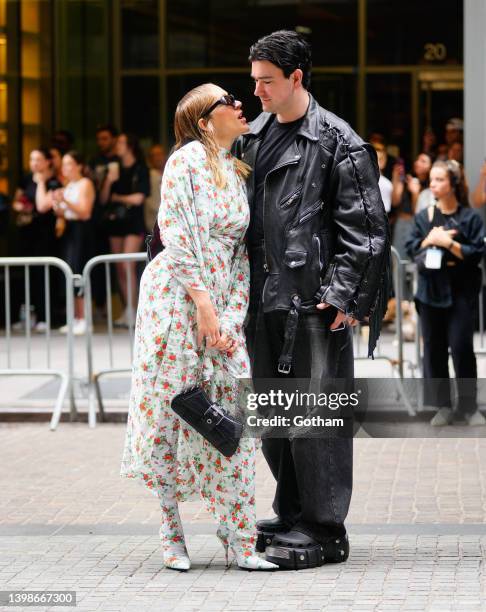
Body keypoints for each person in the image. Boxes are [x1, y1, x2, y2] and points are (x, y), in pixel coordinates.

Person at [236, 30, 390, 570]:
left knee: (317, 423)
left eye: (266, 81)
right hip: (262, 302)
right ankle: (293, 509)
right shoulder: (248, 140)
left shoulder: (337, 141)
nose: (255, 91)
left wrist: (344, 294)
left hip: (314, 304)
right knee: (275, 421)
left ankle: (324, 529)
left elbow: (367, 229)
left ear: (296, 78)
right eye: (254, 80)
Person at [120, 83, 278, 572]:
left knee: (232, 415)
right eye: (227, 101)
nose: (239, 105)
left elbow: (240, 254)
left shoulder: (235, 171)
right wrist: (205, 308)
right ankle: (172, 533)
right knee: (171, 413)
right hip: (174, 303)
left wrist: (229, 318)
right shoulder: (184, 161)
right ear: (205, 121)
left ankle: (240, 539)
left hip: (218, 307)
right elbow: (178, 235)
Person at [406, 160, 486, 427]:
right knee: (434, 349)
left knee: (462, 347)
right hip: (430, 292)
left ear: (453, 184)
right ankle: (442, 406)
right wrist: (430, 240)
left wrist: (448, 243)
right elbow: (411, 248)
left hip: (460, 290)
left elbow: (476, 253)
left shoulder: (469, 217)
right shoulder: (424, 217)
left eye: (439, 179)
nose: (433, 184)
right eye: (431, 179)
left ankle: (468, 406)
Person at [38, 151, 95, 335]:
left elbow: (85, 212)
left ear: (78, 165)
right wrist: (58, 206)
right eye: (64, 164)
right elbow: (63, 211)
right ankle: (76, 317)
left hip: (81, 230)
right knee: (70, 270)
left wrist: (66, 202)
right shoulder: (68, 184)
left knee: (80, 270)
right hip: (69, 229)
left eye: (69, 163)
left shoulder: (85, 183)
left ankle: (85, 318)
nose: (66, 168)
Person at [99, 132, 150, 327]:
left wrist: (119, 198)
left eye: (121, 142)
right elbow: (104, 199)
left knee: (128, 264)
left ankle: (135, 310)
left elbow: (139, 198)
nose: (116, 145)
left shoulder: (140, 168)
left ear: (130, 145)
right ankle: (128, 307)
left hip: (133, 222)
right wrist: (109, 182)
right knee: (119, 266)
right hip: (116, 222)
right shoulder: (114, 168)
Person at [12, 148, 62, 332]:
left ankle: (45, 316)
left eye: (38, 159)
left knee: (44, 275)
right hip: (27, 231)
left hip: (45, 232)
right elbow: (17, 199)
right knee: (26, 274)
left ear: (47, 161)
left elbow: (43, 206)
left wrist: (41, 182)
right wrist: (20, 206)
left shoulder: (53, 181)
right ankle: (26, 316)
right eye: (32, 159)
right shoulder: (26, 178)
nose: (34, 163)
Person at [391, 152, 432, 259]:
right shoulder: (407, 178)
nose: (418, 163)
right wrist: (396, 177)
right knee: (398, 259)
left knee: (413, 260)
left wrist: (415, 193)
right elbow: (395, 201)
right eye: (417, 160)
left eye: (423, 161)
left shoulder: (431, 186)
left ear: (430, 166)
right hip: (401, 223)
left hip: (416, 225)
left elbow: (417, 213)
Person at [144, 143, 166, 233]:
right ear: (150, 158)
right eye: (155, 155)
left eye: (160, 154)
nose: (158, 157)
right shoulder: (147, 175)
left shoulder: (170, 172)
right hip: (153, 222)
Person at [373, 142, 393, 214]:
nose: (383, 160)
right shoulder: (372, 178)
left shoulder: (384, 179)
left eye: (384, 157)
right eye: (380, 159)